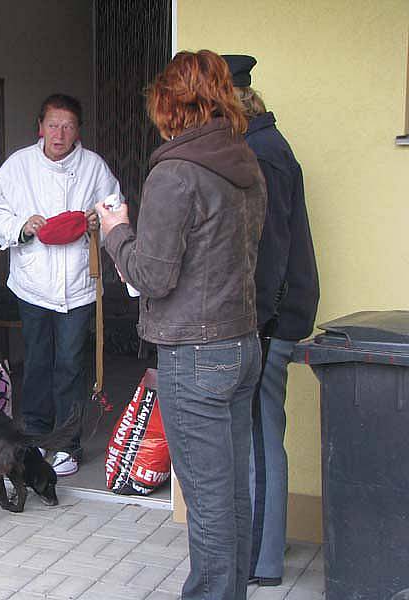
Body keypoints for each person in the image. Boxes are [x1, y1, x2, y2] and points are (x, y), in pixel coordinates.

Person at [96, 50, 267, 600]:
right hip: (242, 342)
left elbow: (152, 274)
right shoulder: (242, 160)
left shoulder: (176, 172)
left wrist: (115, 230)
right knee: (230, 493)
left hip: (195, 354)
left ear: (170, 103)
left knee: (209, 500)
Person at [0, 94, 121, 476]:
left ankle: (67, 445)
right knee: (39, 363)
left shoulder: (93, 168)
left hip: (78, 284)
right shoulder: (18, 166)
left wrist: (99, 227)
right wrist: (22, 228)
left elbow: (115, 212)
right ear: (39, 127)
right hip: (33, 283)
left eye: (68, 126)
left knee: (71, 365)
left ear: (78, 131)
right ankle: (36, 437)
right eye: (53, 124)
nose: (59, 134)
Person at [222, 54, 320, 587]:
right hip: (275, 312)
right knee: (264, 431)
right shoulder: (264, 144)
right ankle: (267, 540)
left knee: (260, 436)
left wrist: (258, 319)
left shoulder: (261, 153)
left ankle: (261, 560)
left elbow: (271, 247)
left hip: (270, 317)